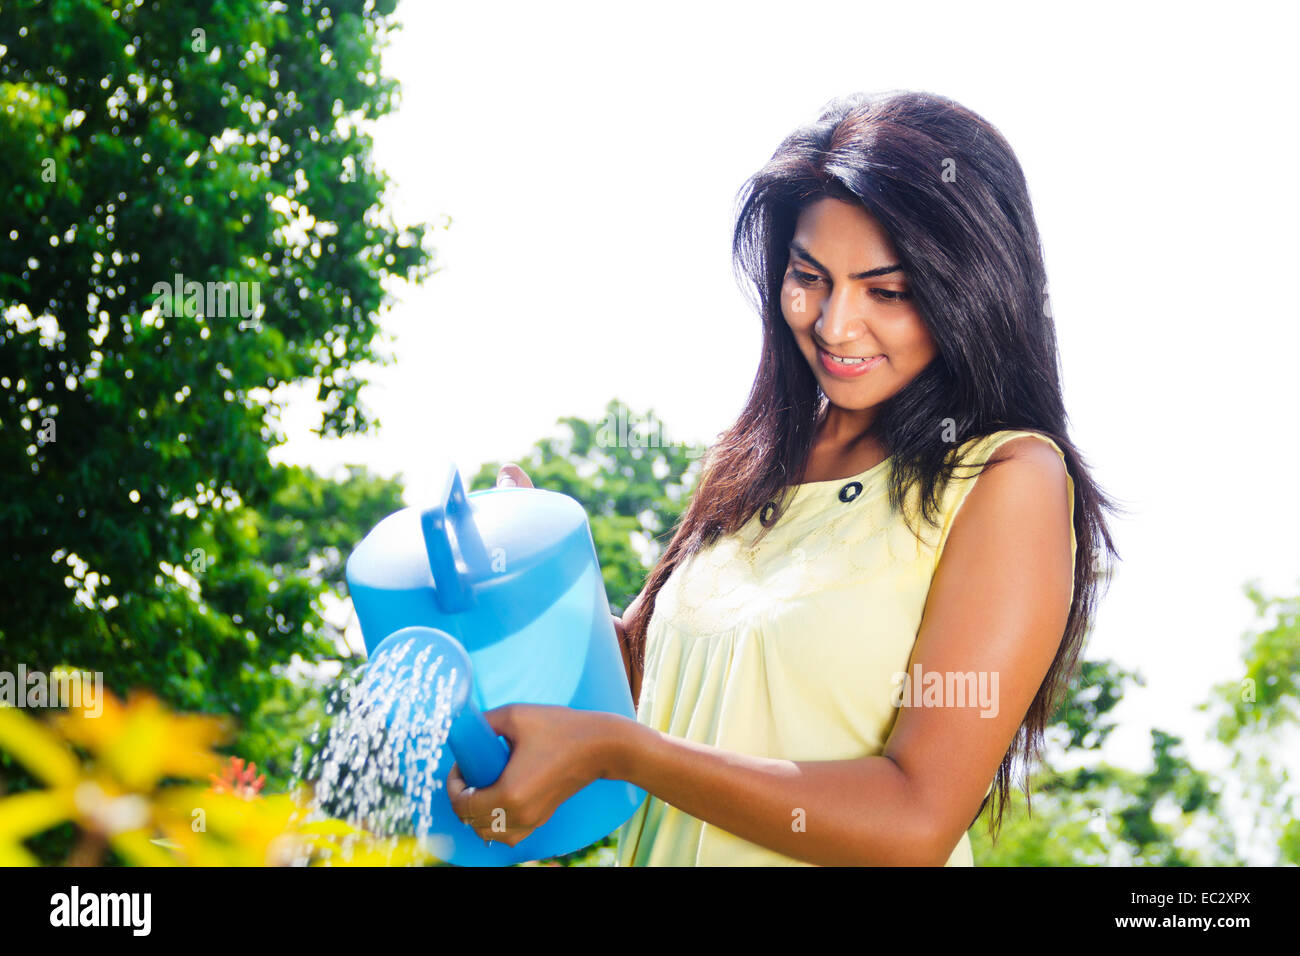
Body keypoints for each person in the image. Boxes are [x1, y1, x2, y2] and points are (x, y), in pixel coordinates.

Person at [447, 89, 1121, 866]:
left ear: (971, 292)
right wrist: (546, 587)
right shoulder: (755, 462)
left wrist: (622, 751)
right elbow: (648, 693)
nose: (834, 324)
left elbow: (915, 818)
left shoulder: (1005, 480)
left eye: (887, 292)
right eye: (810, 277)